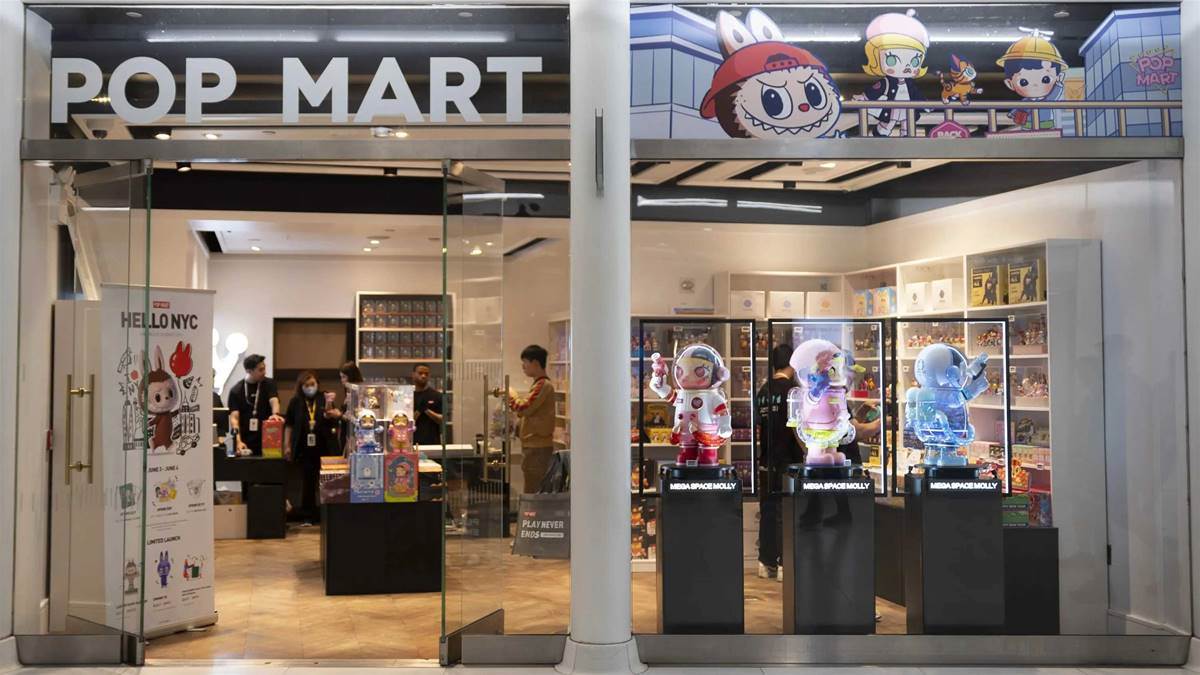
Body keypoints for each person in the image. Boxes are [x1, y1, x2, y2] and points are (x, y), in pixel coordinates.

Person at [755, 343, 805, 582]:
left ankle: (766, 562)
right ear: (792, 364)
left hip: (766, 459)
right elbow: (796, 427)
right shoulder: (792, 391)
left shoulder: (763, 391)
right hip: (788, 460)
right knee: (787, 510)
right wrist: (807, 451)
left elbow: (759, 426)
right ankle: (786, 562)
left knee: (767, 509)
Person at [494, 345, 555, 494]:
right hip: (533, 447)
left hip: (537, 449)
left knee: (534, 491)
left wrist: (510, 394)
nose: (523, 366)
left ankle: (533, 511)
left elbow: (524, 408)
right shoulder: (538, 385)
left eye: (525, 362)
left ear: (535, 363)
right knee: (532, 487)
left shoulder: (543, 385)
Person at [283, 371, 340, 522]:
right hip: (304, 448)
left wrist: (329, 404)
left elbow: (331, 418)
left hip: (323, 446)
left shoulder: (324, 397)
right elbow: (289, 425)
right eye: (306, 385)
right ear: (301, 386)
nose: (310, 388)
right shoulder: (295, 401)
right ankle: (307, 515)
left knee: (326, 481)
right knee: (307, 481)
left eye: (313, 384)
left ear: (317, 384)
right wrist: (287, 445)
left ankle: (327, 515)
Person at [227, 354, 282, 456]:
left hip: (268, 439)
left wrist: (275, 414)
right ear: (249, 371)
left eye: (264, 368)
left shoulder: (269, 384)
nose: (264, 372)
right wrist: (238, 441)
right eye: (260, 370)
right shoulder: (236, 390)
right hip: (246, 442)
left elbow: (274, 400)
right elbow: (234, 419)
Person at [411, 364, 444, 447]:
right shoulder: (407, 396)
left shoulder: (437, 395)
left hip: (432, 443)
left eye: (426, 374)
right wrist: (418, 411)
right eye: (420, 373)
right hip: (412, 443)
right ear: (413, 375)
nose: (423, 376)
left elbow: (442, 420)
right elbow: (405, 422)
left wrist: (427, 410)